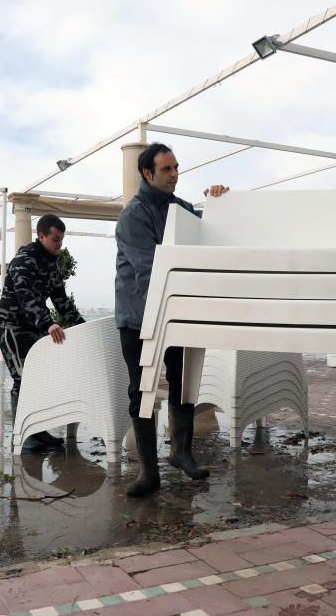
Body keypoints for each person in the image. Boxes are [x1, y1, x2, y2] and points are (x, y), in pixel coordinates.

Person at [115, 142, 229, 497]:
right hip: (138, 316)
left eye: (176, 167)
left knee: (182, 381)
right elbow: (151, 270)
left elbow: (208, 232)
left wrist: (217, 202)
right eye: (166, 169)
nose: (175, 174)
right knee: (141, 390)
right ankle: (149, 472)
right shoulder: (133, 215)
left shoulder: (179, 208)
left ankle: (181, 452)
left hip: (176, 311)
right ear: (147, 173)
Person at [0, 213, 84, 451]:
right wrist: (48, 323)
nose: (59, 245)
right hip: (11, 326)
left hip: (32, 327)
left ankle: (38, 430)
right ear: (41, 236)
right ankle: (23, 437)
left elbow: (61, 300)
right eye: (55, 239)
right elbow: (27, 300)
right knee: (22, 378)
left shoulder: (52, 262)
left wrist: (82, 325)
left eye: (62, 240)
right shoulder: (24, 259)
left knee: (39, 378)